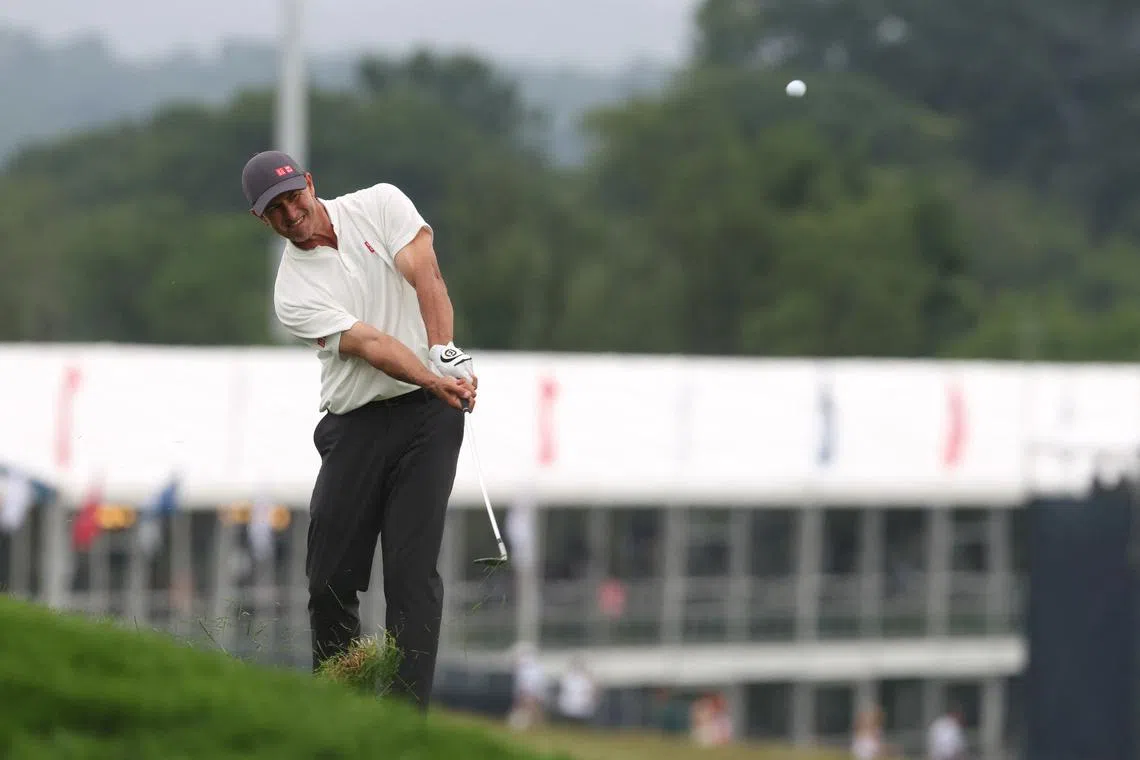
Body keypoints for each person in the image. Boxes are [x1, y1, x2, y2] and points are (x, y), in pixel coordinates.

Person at [240, 150, 477, 712]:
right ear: (262, 219)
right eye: (274, 209)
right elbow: (372, 345)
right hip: (355, 429)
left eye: (293, 196)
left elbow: (427, 273)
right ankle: (338, 705)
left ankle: (401, 721)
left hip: (427, 421)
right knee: (328, 582)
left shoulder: (381, 204)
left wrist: (443, 355)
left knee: (411, 575)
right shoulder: (291, 292)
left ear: (310, 184)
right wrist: (432, 375)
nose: (290, 212)